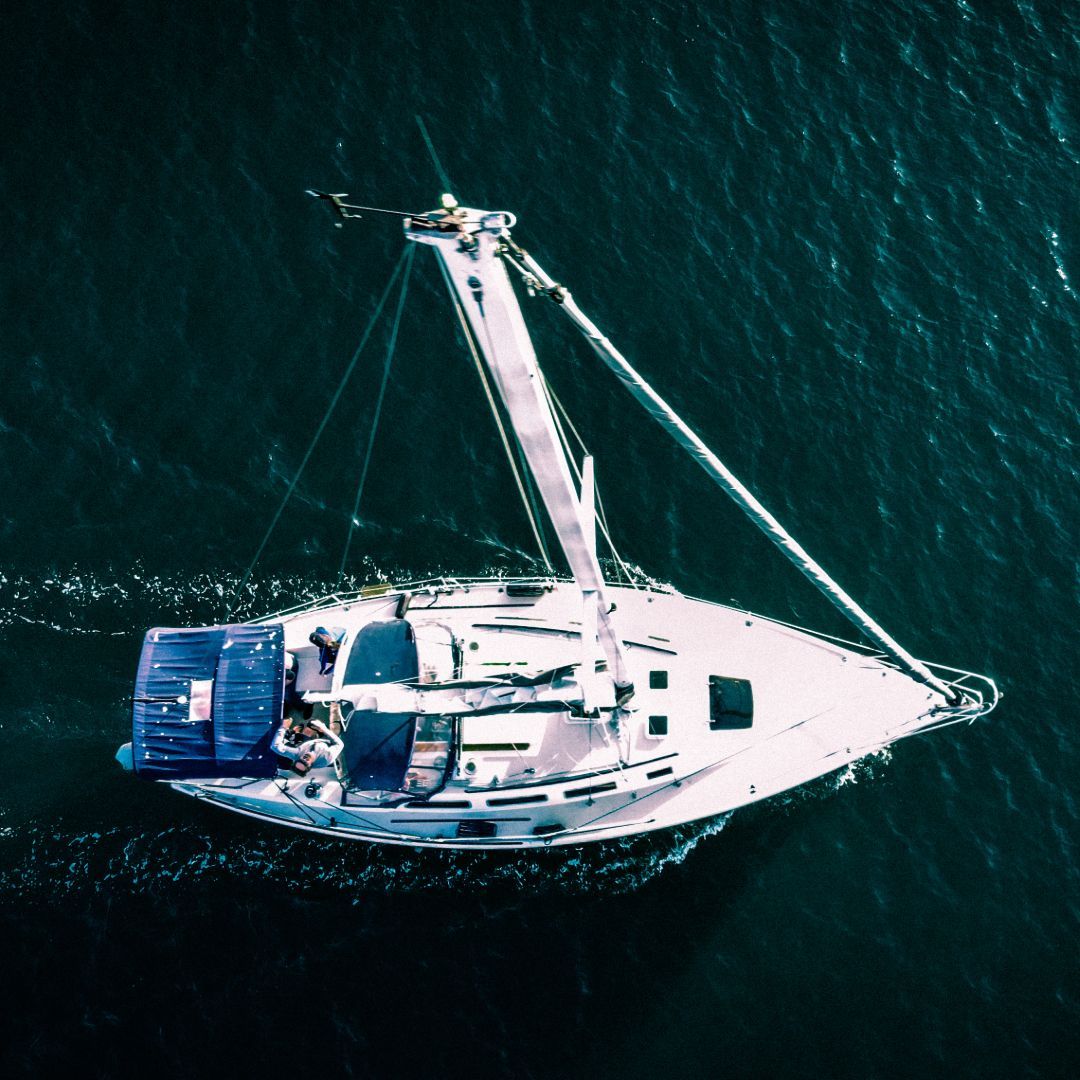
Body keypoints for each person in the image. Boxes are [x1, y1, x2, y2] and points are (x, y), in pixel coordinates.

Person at [271, 717, 344, 777]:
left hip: (311, 743)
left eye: (301, 760)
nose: (304, 759)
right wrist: (323, 728)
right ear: (311, 765)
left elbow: (275, 747)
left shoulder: (297, 754)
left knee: (310, 724)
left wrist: (283, 727)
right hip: (328, 743)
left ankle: (296, 732)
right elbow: (340, 744)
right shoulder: (327, 757)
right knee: (330, 726)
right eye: (305, 763)